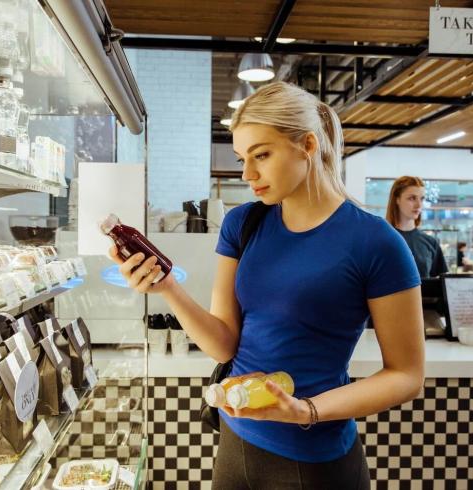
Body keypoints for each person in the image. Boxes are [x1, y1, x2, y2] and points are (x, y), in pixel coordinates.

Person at [108, 82, 424, 489]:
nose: (247, 174)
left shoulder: (376, 243)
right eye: (243, 158)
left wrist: (306, 410)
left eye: (261, 155)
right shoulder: (244, 223)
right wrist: (168, 287)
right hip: (236, 443)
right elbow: (224, 344)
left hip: (314, 460)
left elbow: (406, 375)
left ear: (307, 145)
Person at [386, 176, 448, 278]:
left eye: (422, 199)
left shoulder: (431, 242)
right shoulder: (381, 239)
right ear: (397, 199)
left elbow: (441, 285)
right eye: (412, 198)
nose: (419, 205)